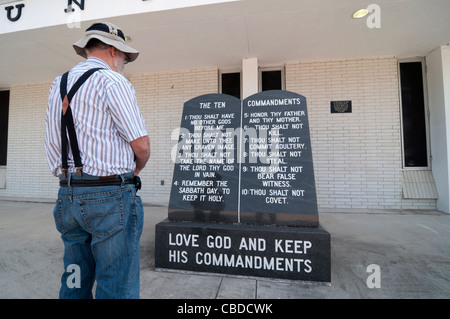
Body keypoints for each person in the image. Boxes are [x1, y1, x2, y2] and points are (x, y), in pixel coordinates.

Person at [45, 22, 150, 299]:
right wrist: (138, 165)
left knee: (74, 278)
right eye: (125, 58)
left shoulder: (59, 83)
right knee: (116, 282)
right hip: (109, 196)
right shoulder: (113, 80)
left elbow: (53, 140)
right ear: (114, 50)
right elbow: (140, 143)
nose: (124, 63)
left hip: (67, 194)